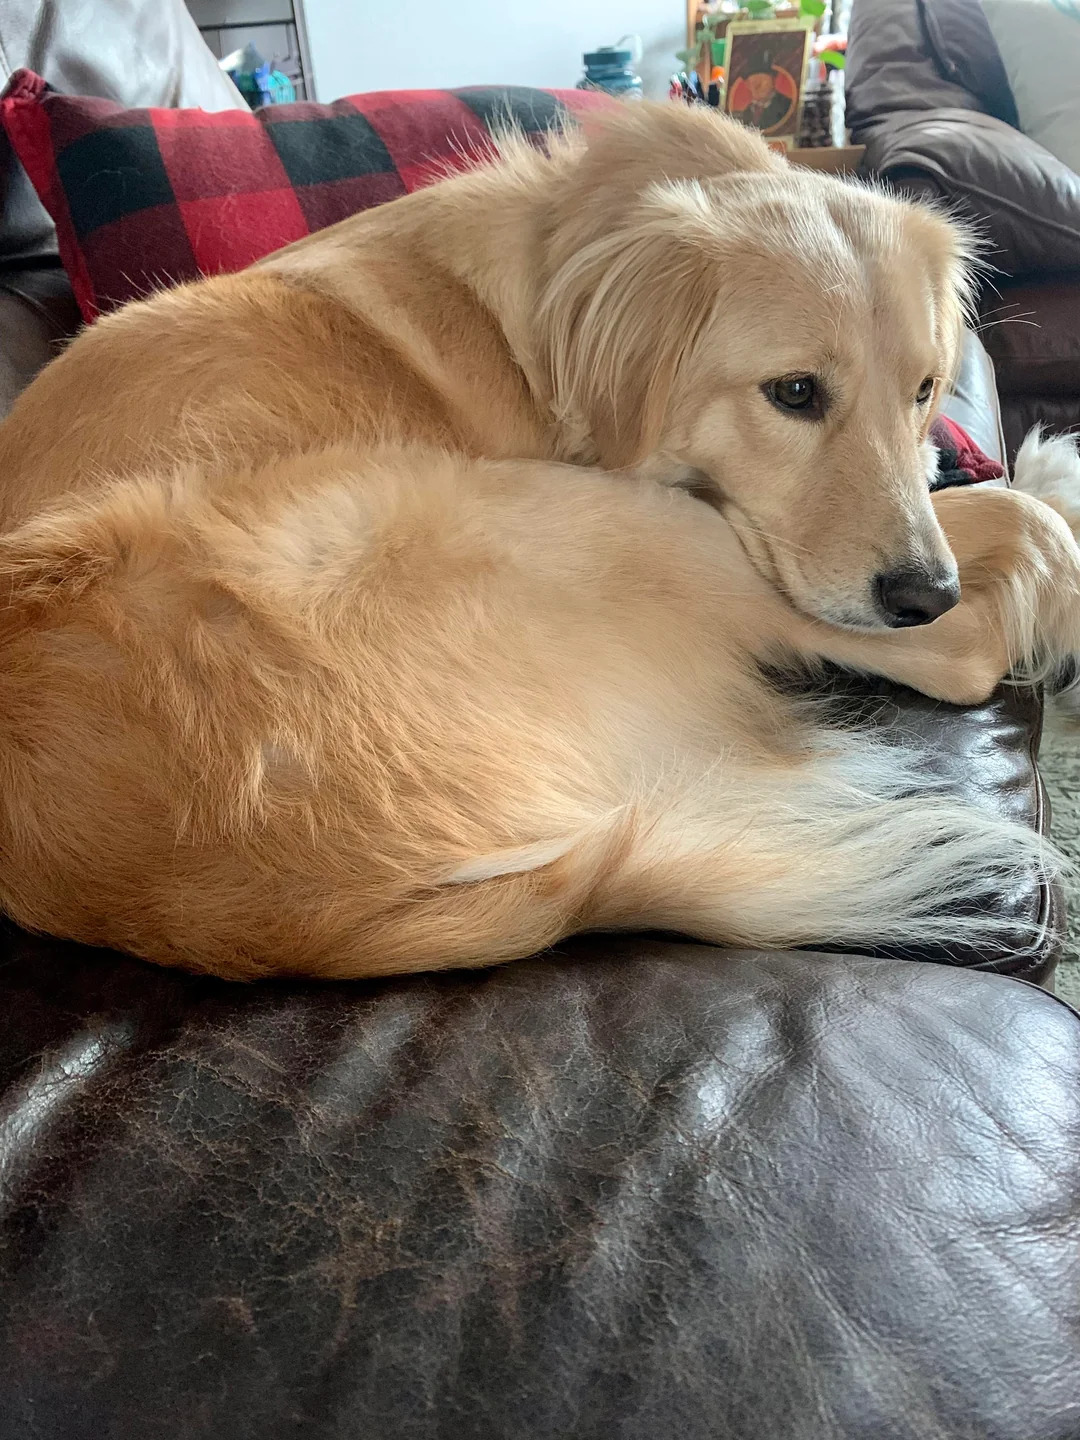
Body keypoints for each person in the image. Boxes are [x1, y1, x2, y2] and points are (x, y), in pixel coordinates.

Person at [742, 53, 792, 132]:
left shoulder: (786, 105)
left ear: (773, 80)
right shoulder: (745, 112)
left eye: (762, 80)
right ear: (747, 85)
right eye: (753, 81)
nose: (756, 86)